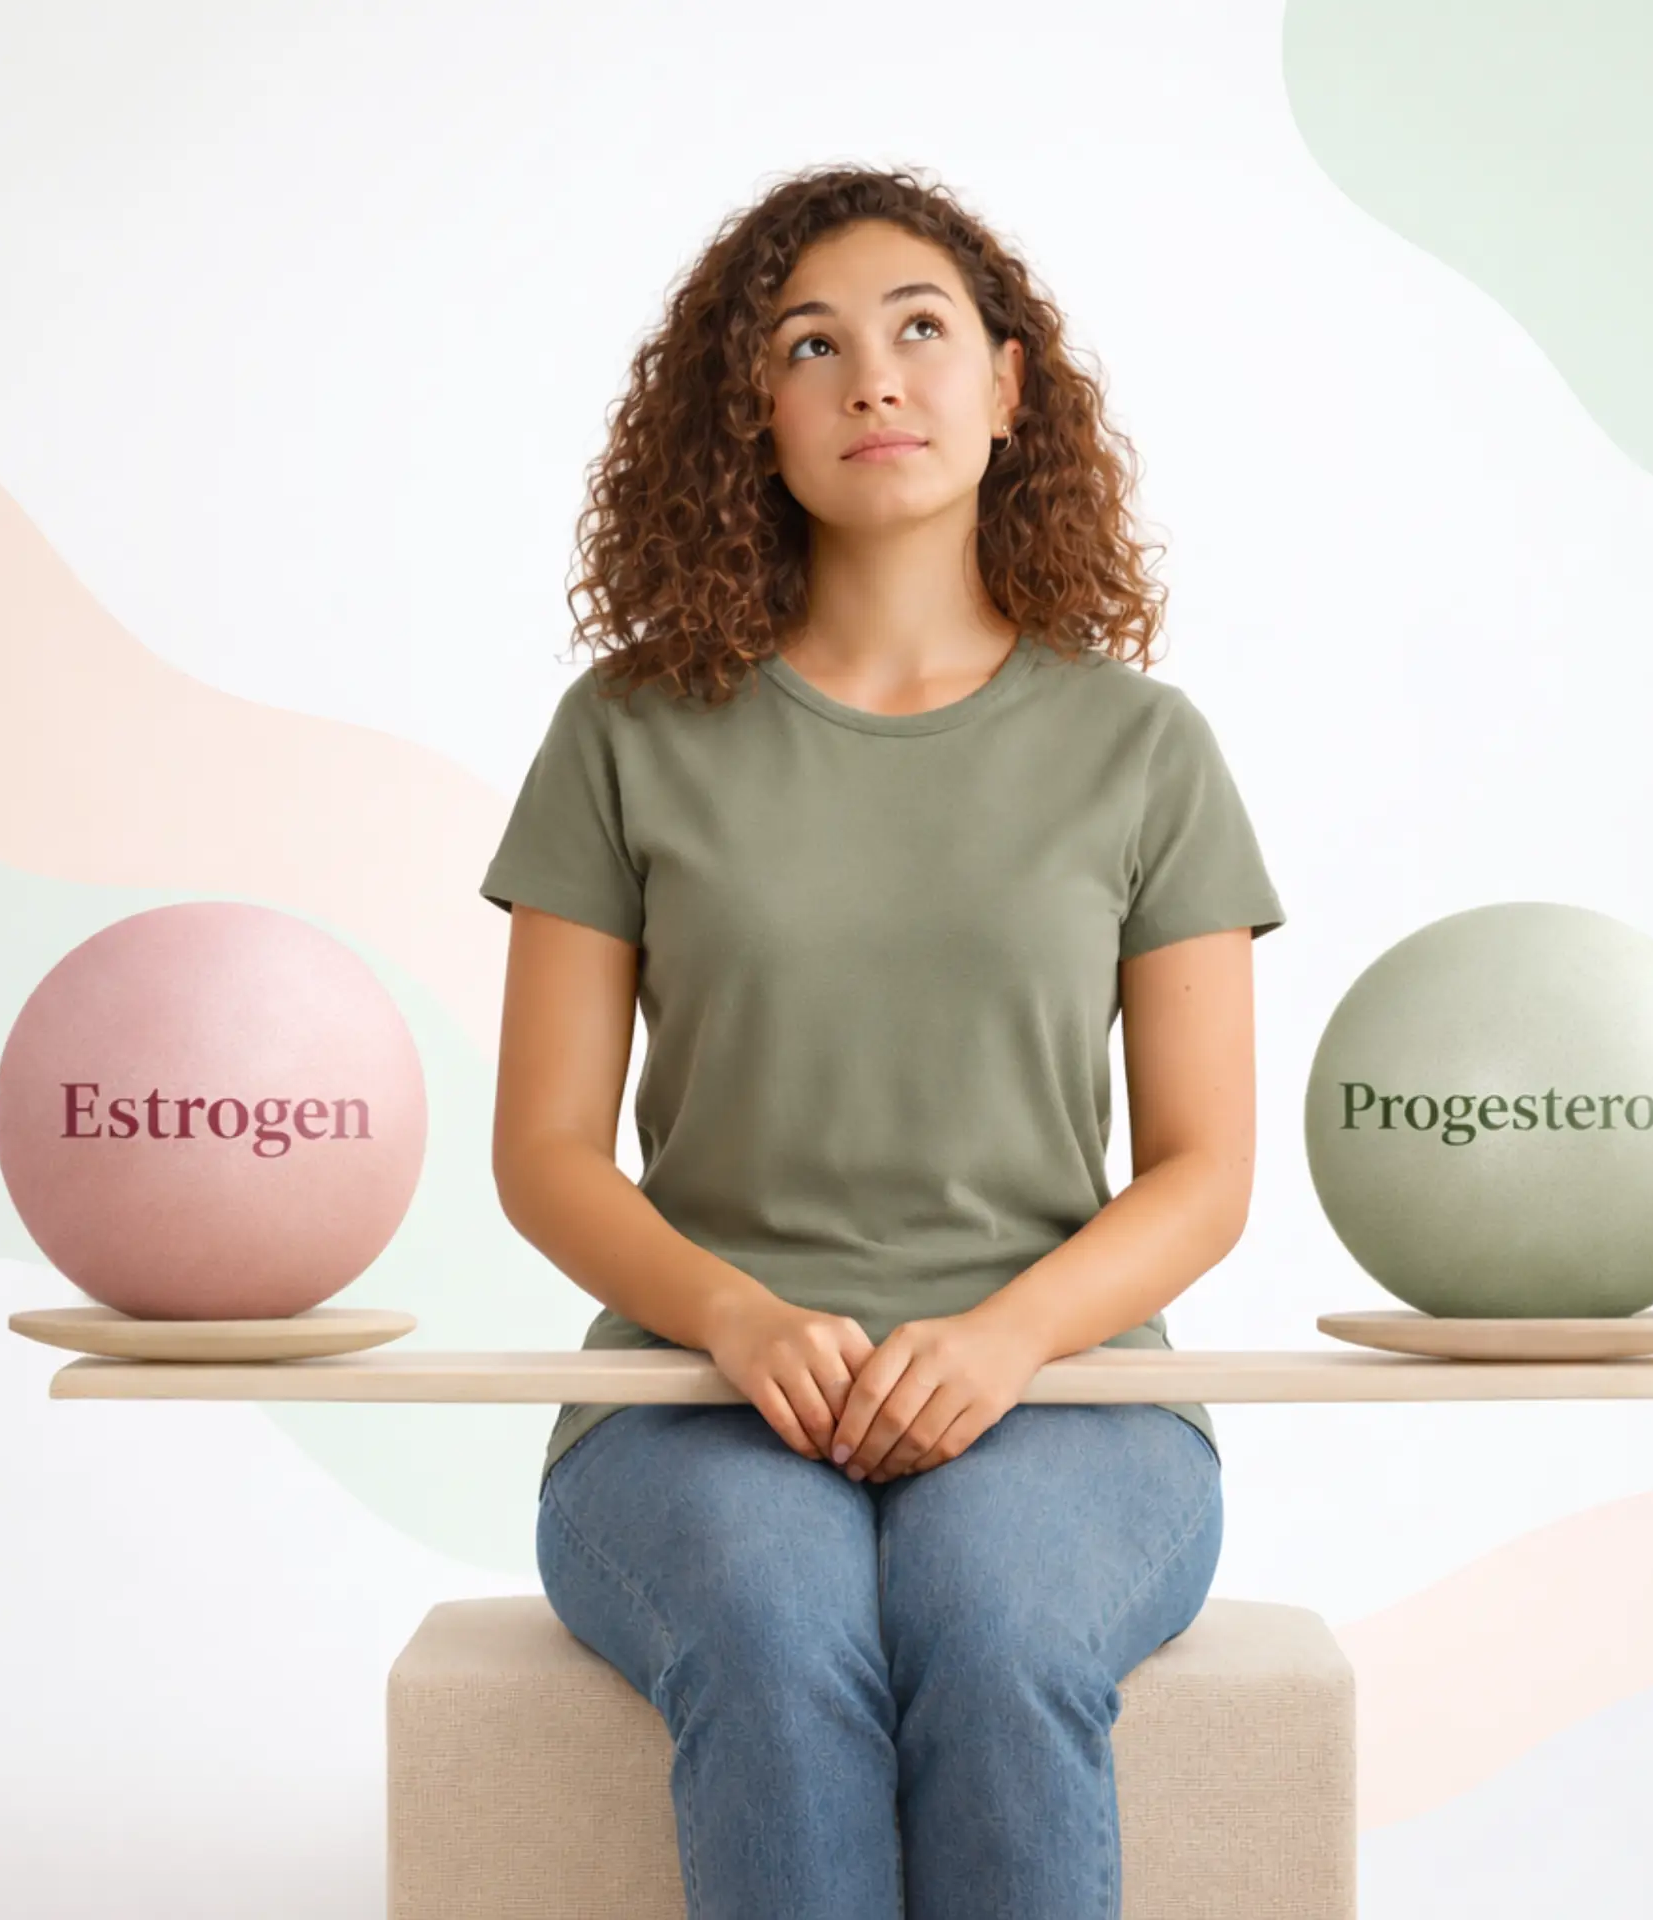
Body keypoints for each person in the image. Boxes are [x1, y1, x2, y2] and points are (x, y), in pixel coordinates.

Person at [481, 164, 1286, 1920]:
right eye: (811, 344)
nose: (875, 378)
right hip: (686, 1388)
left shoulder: (1145, 749)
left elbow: (1207, 1170)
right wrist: (735, 1315)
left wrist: (1004, 1341)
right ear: (748, 418)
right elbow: (542, 1150)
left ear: (1010, 388)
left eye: (923, 330)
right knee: (773, 1636)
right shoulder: (625, 732)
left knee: (995, 1632)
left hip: (1072, 1383)